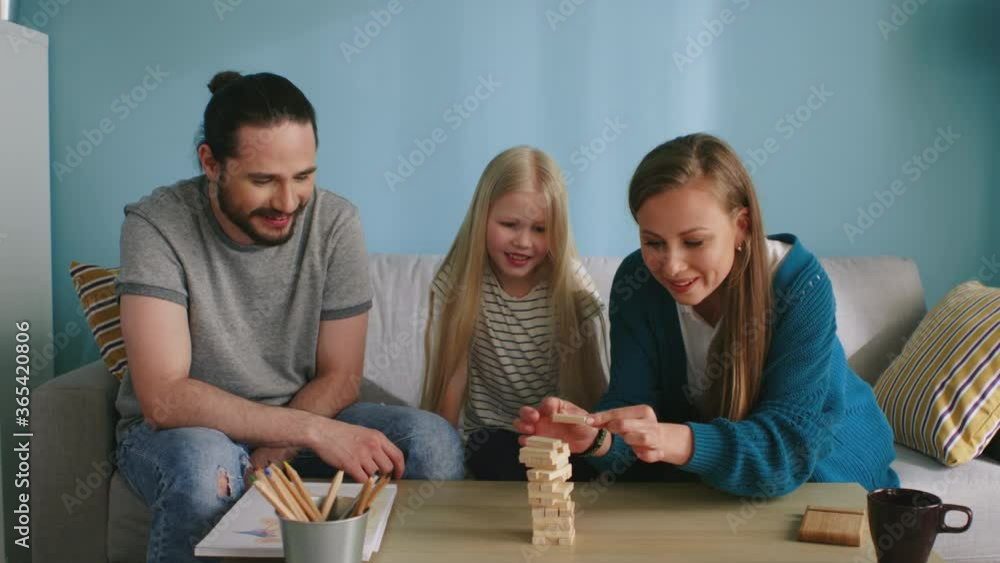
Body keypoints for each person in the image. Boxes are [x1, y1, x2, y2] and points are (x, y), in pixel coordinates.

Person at [113, 71, 464, 563]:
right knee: (204, 467)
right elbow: (165, 399)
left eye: (303, 177)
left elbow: (340, 376)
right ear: (211, 163)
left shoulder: (336, 222)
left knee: (433, 444)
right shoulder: (156, 225)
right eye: (264, 181)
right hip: (188, 433)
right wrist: (311, 433)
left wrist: (278, 447)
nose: (288, 203)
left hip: (308, 408)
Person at [514, 133, 900, 496]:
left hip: (831, 466)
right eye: (653, 242)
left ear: (741, 227)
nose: (672, 266)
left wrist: (673, 438)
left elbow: (787, 453)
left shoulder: (800, 286)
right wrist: (596, 437)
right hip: (724, 482)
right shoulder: (638, 281)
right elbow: (632, 415)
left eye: (694, 242)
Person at [420, 146, 610, 480]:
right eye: (510, 224)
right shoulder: (460, 281)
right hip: (494, 435)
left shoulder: (573, 286)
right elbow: (452, 375)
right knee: (500, 461)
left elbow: (593, 381)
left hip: (562, 435)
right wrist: (441, 456)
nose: (523, 242)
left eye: (540, 229)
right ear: (483, 217)